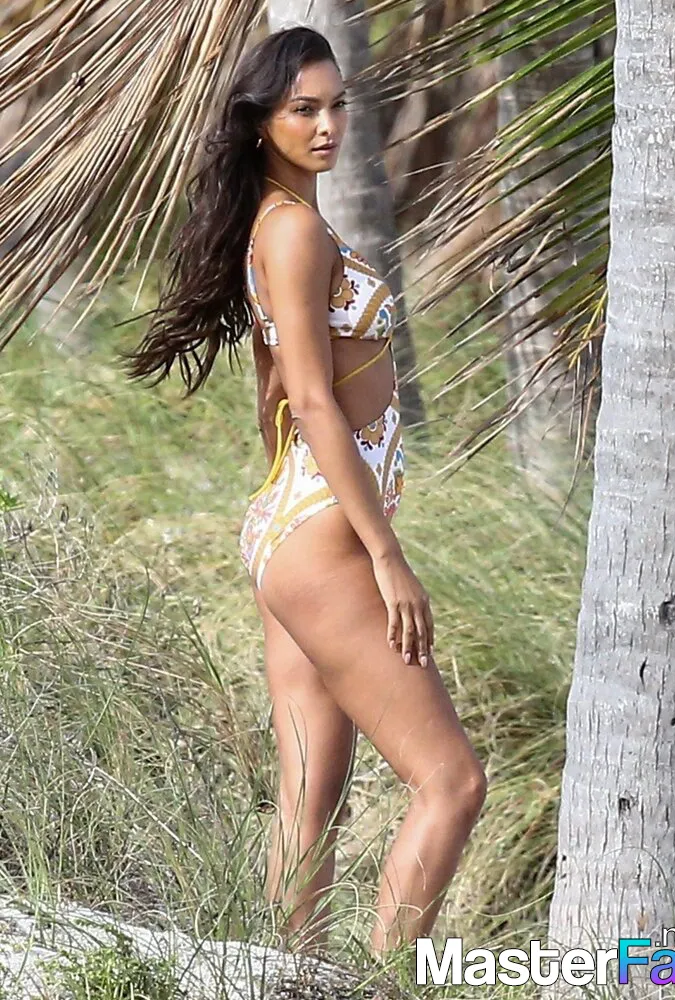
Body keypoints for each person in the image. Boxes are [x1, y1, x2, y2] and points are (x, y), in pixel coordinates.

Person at [121, 25, 486, 961]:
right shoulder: (292, 230)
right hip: (322, 534)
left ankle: (292, 977)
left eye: (335, 107)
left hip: (292, 524)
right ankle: (384, 982)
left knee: (308, 800)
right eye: (302, 110)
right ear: (261, 124)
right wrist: (384, 555)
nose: (326, 126)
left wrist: (287, 518)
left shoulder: (278, 225)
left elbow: (272, 388)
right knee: (451, 784)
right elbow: (314, 398)